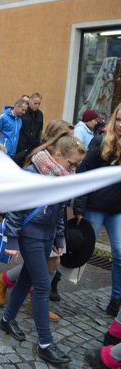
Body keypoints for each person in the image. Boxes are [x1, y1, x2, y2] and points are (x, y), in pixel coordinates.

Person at [0, 135, 86, 366]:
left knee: (26, 280)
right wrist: (12, 240)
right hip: (30, 235)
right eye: (72, 164)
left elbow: (58, 211)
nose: (74, 169)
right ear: (58, 155)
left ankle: (7, 319)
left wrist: (59, 237)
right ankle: (46, 344)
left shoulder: (60, 175)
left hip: (47, 236)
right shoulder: (32, 173)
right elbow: (16, 209)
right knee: (42, 285)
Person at [74, 102, 121, 317]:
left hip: (117, 210)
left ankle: (116, 300)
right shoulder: (101, 141)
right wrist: (79, 206)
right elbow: (84, 174)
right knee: (80, 248)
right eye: (118, 119)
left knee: (120, 253)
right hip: (95, 206)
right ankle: (51, 282)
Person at [16, 92, 44, 165]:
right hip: (20, 147)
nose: (37, 106)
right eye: (35, 103)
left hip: (32, 148)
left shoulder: (40, 115)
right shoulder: (23, 112)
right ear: (30, 101)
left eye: (39, 104)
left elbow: (40, 131)